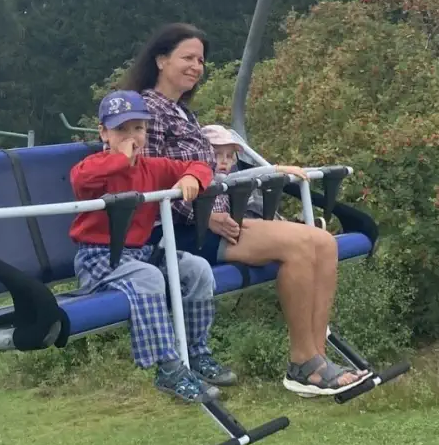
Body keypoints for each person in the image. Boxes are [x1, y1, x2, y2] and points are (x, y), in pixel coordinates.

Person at [125, 23, 367, 398]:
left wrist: (262, 176)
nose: (196, 66)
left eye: (200, 60)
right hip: (177, 233)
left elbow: (209, 175)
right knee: (299, 247)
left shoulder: (182, 113)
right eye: (187, 57)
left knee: (323, 242)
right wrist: (204, 216)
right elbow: (143, 181)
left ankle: (317, 357)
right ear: (160, 60)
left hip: (215, 222)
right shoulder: (146, 112)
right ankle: (303, 363)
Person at [69, 90, 238, 405]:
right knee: (149, 278)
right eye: (121, 129)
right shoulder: (93, 167)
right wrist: (120, 159)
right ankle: (168, 367)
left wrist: (192, 178)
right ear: (104, 133)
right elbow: (81, 180)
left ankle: (196, 351)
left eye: (138, 128)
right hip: (98, 256)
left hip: (139, 253)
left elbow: (201, 166)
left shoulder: (153, 168)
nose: (131, 137)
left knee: (197, 268)